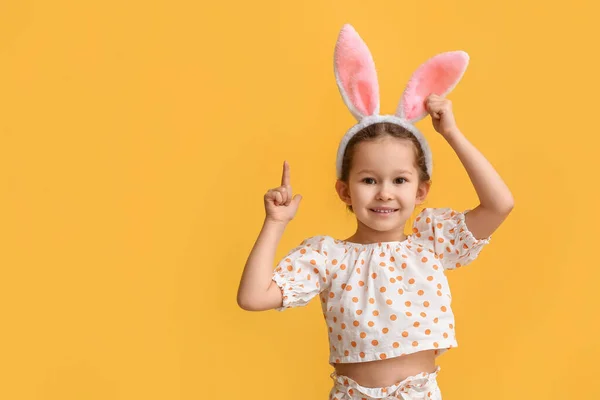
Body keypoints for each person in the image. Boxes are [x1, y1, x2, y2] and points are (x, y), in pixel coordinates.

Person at [237, 24, 514, 400]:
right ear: (344, 190)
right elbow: (253, 297)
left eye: (400, 180)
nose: (384, 193)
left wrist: (451, 133)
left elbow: (500, 204)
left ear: (422, 191)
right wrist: (275, 223)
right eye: (369, 180)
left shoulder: (431, 243)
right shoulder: (327, 256)